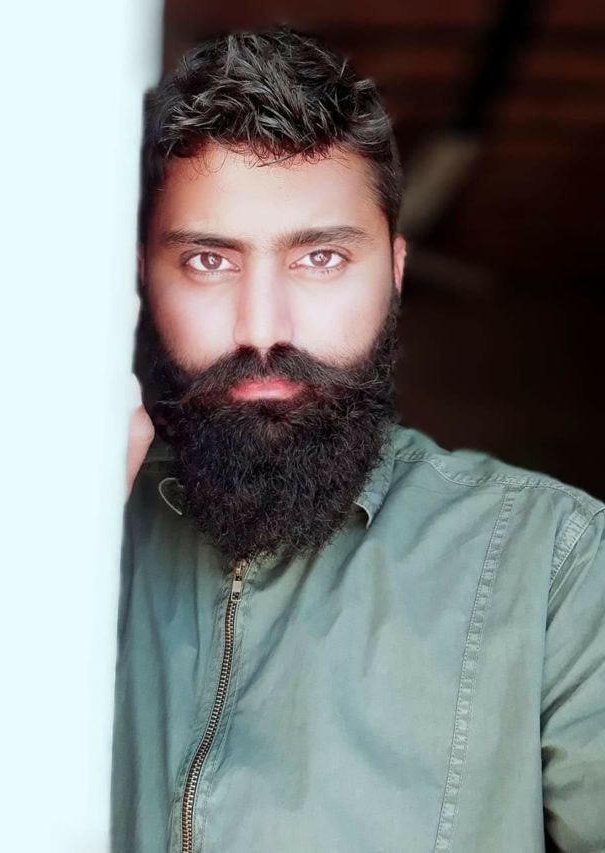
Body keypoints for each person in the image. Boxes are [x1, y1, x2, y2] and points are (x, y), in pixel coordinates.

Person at [112, 26, 605, 853]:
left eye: (320, 258)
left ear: (396, 270)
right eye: (207, 261)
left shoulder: (556, 563)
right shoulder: (42, 538)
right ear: (137, 277)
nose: (262, 329)